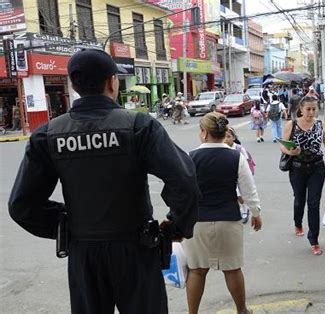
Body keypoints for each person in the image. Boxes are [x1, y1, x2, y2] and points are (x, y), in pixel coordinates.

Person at [8, 49, 200, 313]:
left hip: (84, 253)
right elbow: (185, 181)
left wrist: (65, 225)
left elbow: (22, 206)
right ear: (112, 82)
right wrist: (176, 227)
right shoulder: (139, 126)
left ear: (74, 86)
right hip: (137, 248)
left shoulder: (48, 136)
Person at [185, 112, 262, 314]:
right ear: (223, 132)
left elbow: (181, 192)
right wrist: (256, 212)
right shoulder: (235, 157)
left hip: (197, 222)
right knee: (232, 268)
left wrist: (177, 220)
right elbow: (248, 189)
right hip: (228, 219)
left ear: (203, 133)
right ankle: (242, 310)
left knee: (196, 270)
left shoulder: (190, 157)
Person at [280, 95, 325, 255]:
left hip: (317, 168)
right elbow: (282, 145)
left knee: (314, 203)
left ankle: (314, 239)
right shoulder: (291, 124)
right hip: (297, 168)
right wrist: (290, 151)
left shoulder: (321, 125)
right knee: (299, 199)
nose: (311, 112)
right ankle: (298, 222)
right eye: (308, 109)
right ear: (301, 109)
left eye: (314, 109)